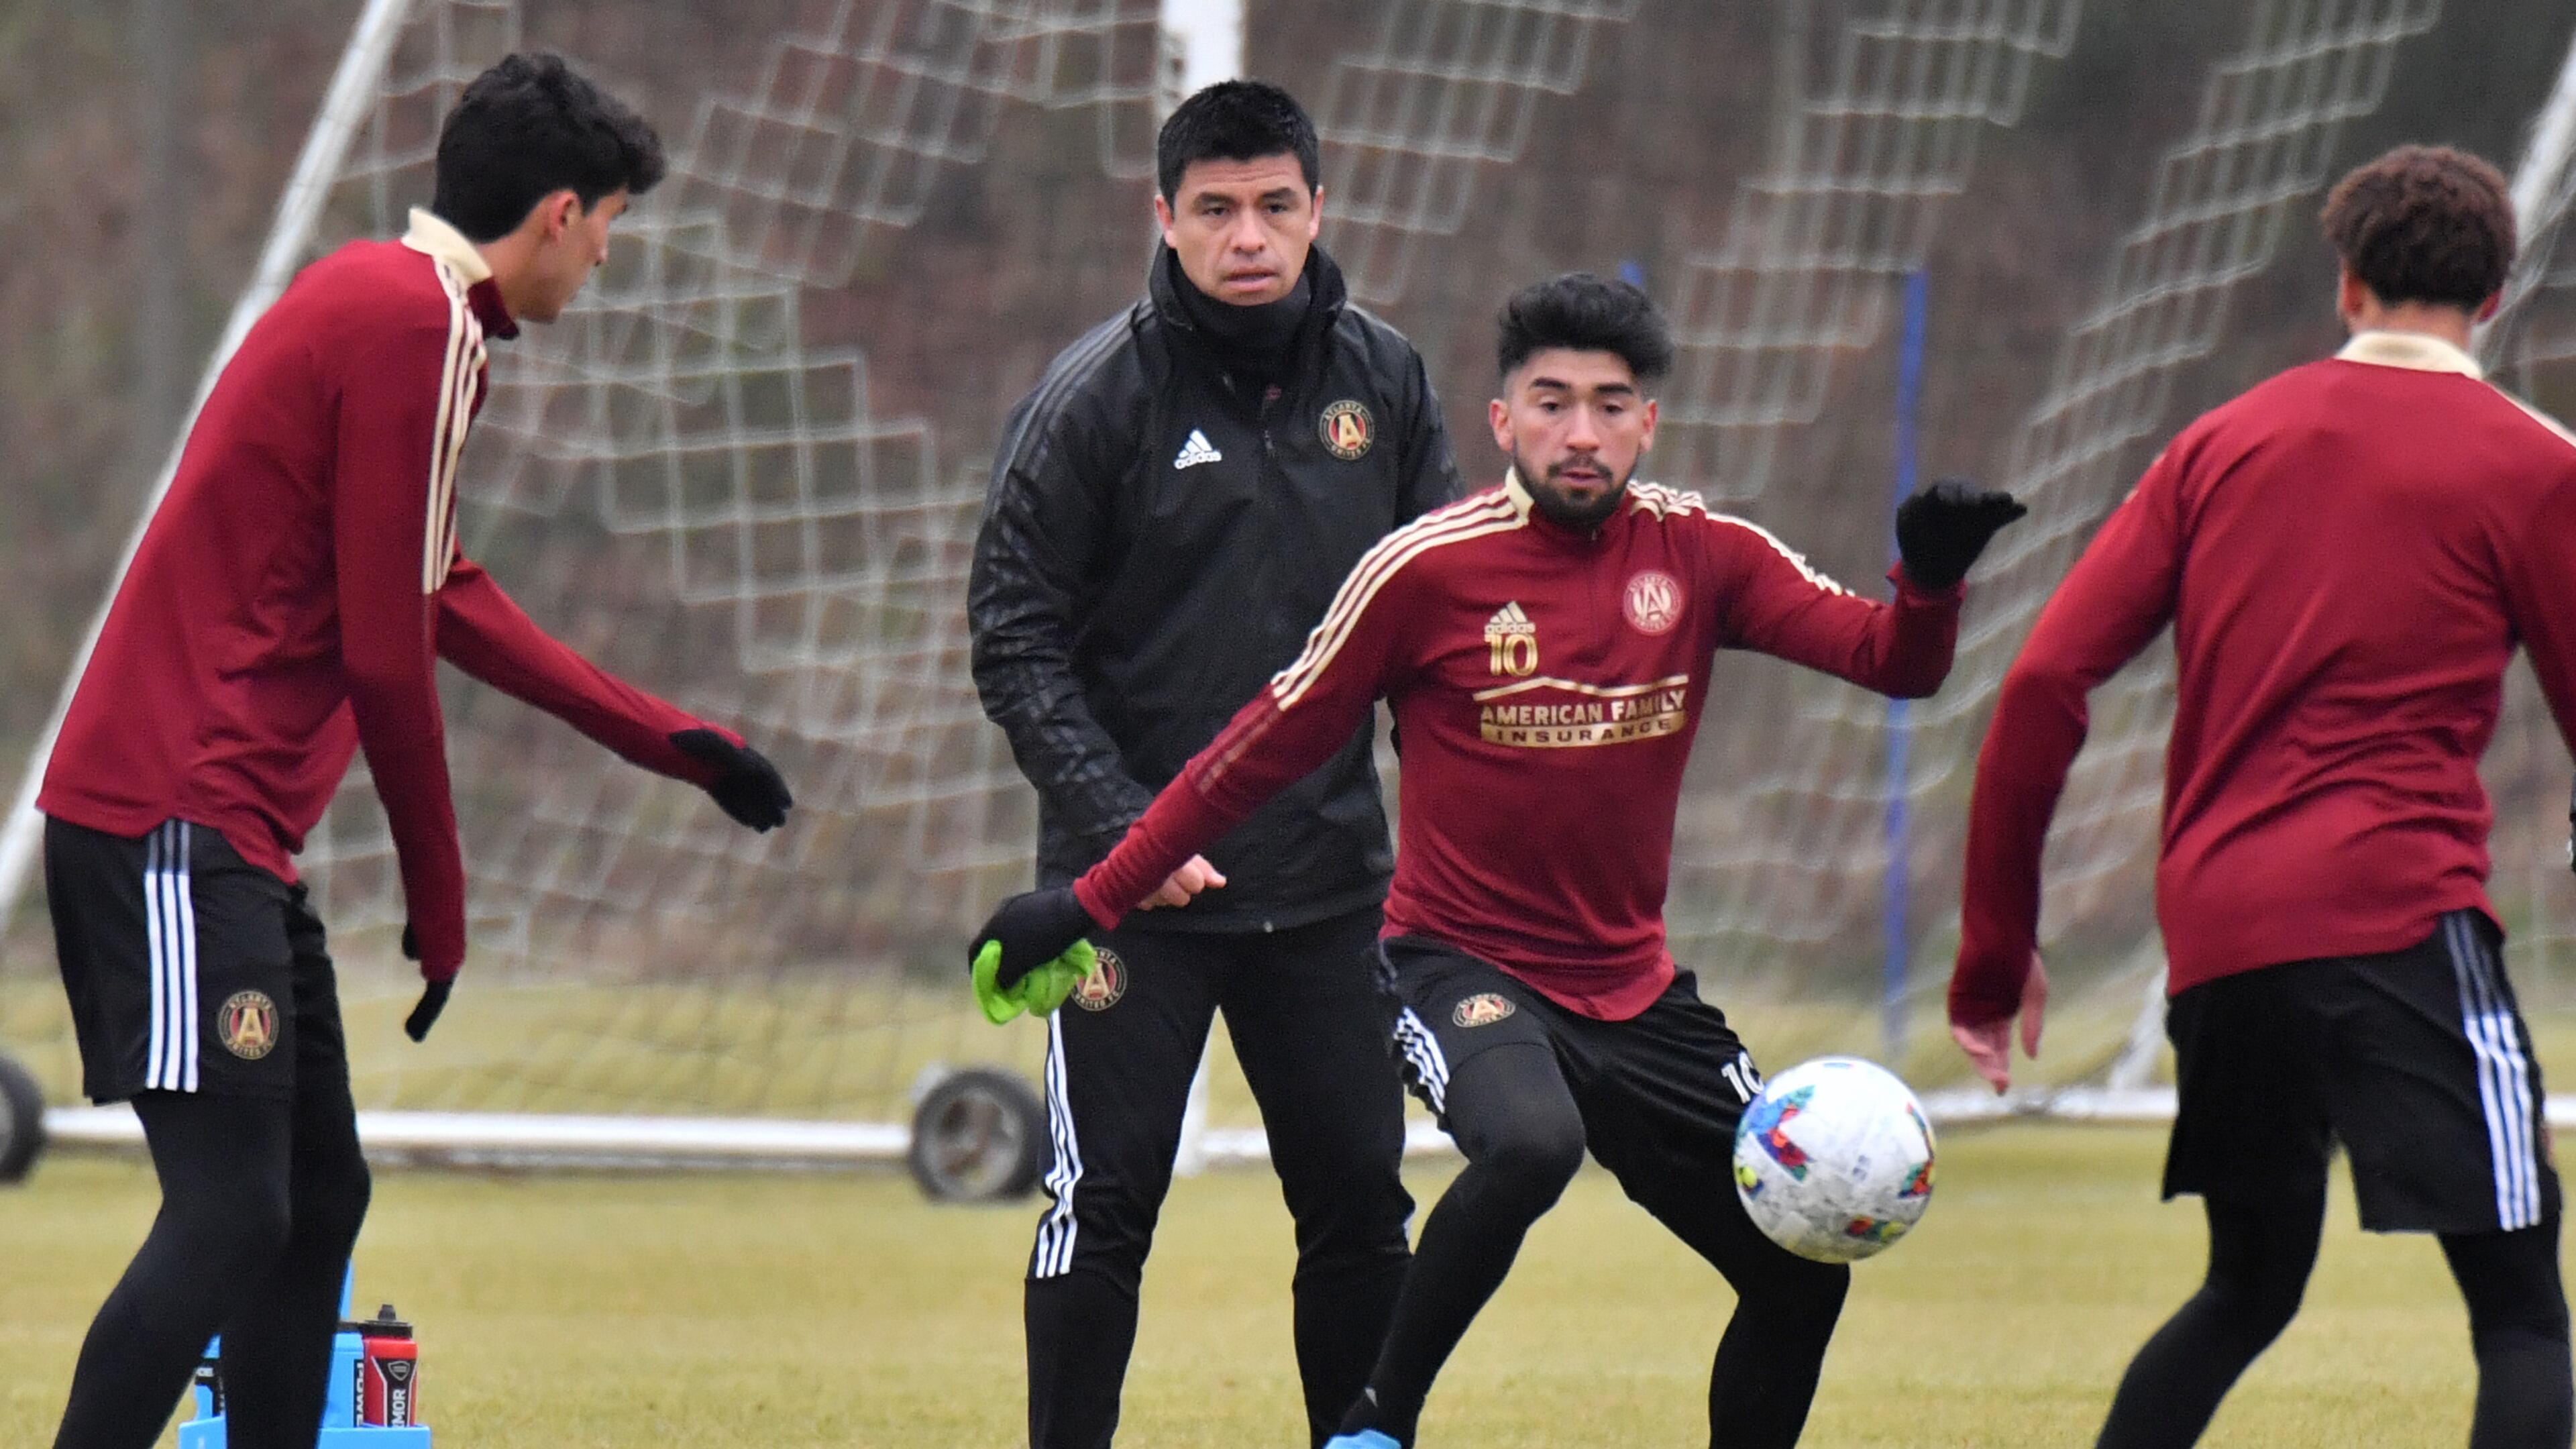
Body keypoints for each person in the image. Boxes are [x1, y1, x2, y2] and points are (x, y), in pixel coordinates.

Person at [973, 272, 2025, 1448]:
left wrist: (1929, 582)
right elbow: (1246, 760)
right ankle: (1376, 1424)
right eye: (1553, 401)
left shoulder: (1702, 552)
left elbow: (1896, 663)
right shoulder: (1425, 571)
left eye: (1612, 404)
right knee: (1530, 1144)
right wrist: (1089, 900)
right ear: (1503, 421)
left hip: (1632, 992)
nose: (1583, 433)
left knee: (1797, 1273)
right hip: (1454, 967)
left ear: (1648, 424)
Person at [37, 53, 792, 1449]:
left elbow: (434, 593)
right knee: (229, 1212)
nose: (609, 258)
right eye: (613, 224)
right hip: (177, 822)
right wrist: (444, 909)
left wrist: (674, 745)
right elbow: (390, 654)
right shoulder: (418, 321)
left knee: (320, 1197)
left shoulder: (387, 306)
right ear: (560, 212)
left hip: (222, 837)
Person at [1948, 144, 2575, 1449]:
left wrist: (1995, 954)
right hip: (2400, 916)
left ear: (2344, 287)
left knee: (2247, 1287)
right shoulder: (2533, 465)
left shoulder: (2216, 446)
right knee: (2519, 1313)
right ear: (2498, 299)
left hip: (2223, 940)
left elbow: (2043, 687)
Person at [967, 78, 1462, 1449]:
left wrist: (1452, 851)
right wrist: (1131, 833)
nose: (1249, 235)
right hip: (1132, 899)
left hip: (1329, 888)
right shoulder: (1088, 402)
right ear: (1166, 219)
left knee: (1362, 1202)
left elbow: (1445, 643)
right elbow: (1013, 644)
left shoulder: (1390, 382)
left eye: (1275, 205)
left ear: (1318, 209)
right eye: (1217, 209)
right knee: (1104, 1202)